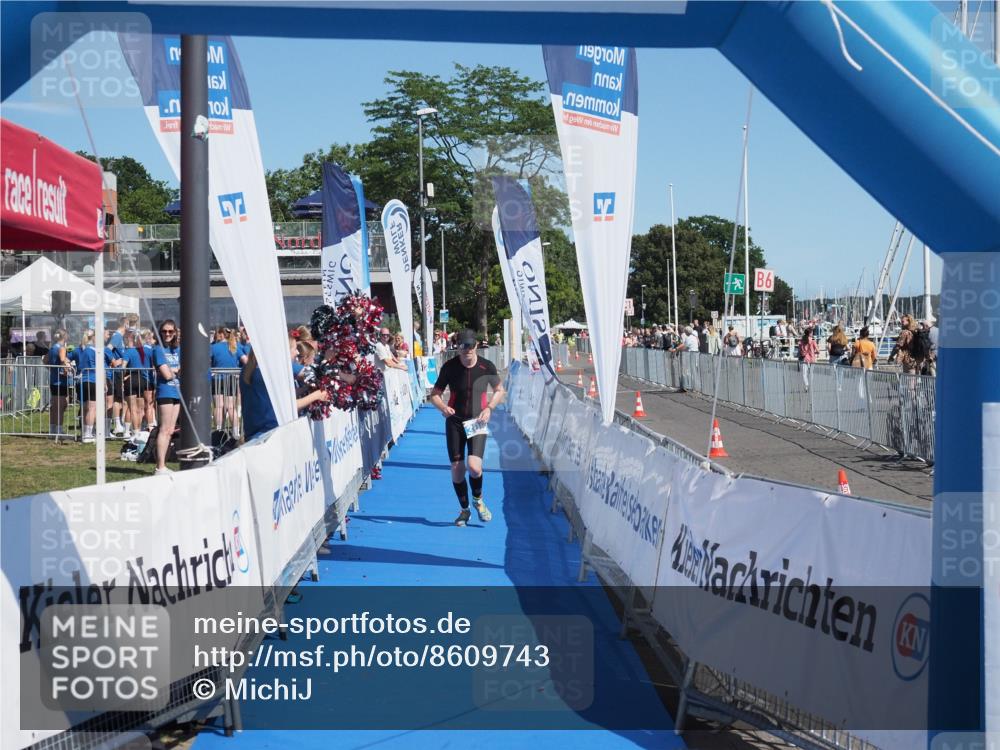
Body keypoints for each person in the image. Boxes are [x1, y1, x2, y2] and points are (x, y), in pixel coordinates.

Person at [429, 329, 505, 527]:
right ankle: (464, 510)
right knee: (456, 469)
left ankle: (478, 500)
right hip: (455, 421)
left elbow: (499, 390)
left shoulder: (486, 366)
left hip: (477, 421)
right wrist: (443, 407)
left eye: (470, 346)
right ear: (457, 347)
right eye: (463, 346)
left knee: (474, 466)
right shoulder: (449, 367)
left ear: (476, 346)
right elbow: (434, 394)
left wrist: (489, 408)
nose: (467, 350)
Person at [240, 339, 330, 442]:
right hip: (271, 436)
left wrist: (304, 389)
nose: (297, 352)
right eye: (295, 348)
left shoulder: (246, 370)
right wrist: (317, 395)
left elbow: (269, 398)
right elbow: (289, 405)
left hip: (252, 435)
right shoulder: (276, 369)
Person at [151, 320, 181, 475]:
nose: (167, 334)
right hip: (165, 392)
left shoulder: (178, 349)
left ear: (175, 332)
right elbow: (167, 374)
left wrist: (175, 369)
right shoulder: (158, 350)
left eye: (170, 331)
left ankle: (163, 465)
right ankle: (160, 467)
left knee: (170, 430)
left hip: (178, 393)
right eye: (164, 331)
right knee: (164, 429)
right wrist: (176, 370)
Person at [74, 330, 99, 443]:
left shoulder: (81, 350)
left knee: (84, 408)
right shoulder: (94, 351)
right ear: (93, 337)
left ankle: (85, 433)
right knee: (92, 408)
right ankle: (88, 434)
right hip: (92, 381)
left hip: (81, 381)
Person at [46, 329, 72, 435]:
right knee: (60, 406)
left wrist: (52, 370)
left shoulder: (52, 348)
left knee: (55, 406)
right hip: (60, 382)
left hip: (54, 380)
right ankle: (59, 429)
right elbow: (62, 360)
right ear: (65, 336)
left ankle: (53, 429)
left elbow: (44, 361)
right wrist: (66, 371)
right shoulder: (61, 348)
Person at [121, 329, 145, 436]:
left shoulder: (128, 352)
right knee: (139, 409)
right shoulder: (140, 351)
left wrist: (123, 378)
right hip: (141, 378)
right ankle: (137, 431)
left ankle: (135, 433)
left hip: (131, 379)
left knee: (132, 408)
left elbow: (123, 367)